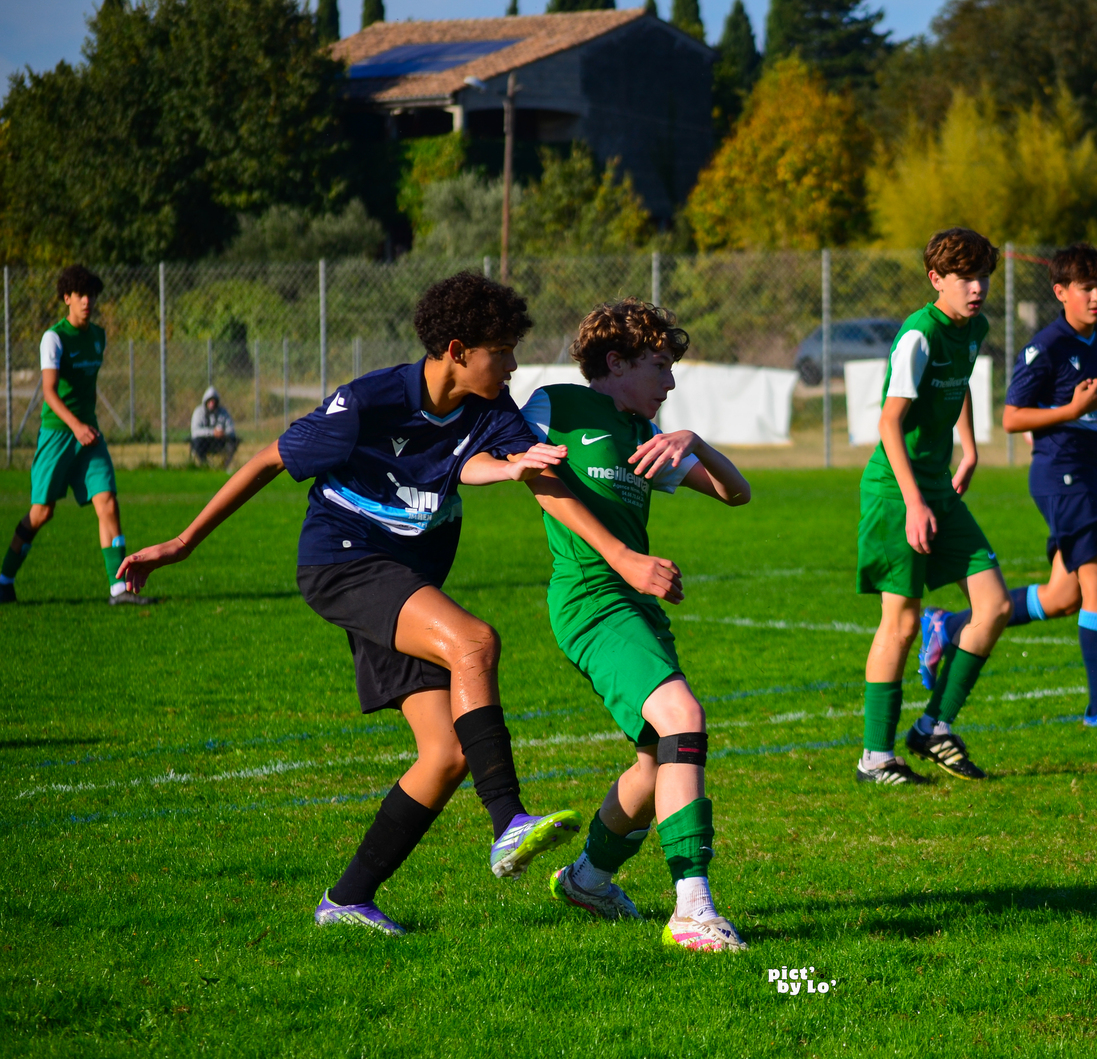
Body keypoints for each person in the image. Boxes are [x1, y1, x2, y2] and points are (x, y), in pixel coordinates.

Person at [120, 272, 684, 936]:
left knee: (444, 755)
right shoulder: (370, 401)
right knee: (474, 640)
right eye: (501, 352)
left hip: (405, 582)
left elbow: (532, 475)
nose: (511, 365)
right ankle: (508, 821)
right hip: (343, 561)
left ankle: (347, 899)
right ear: (457, 351)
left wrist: (528, 483)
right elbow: (269, 460)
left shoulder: (490, 406)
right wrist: (183, 542)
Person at [527, 299, 754, 952]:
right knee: (683, 717)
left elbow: (736, 493)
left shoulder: (643, 436)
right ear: (616, 362)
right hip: (590, 599)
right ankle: (692, 909)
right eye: (659, 366)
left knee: (658, 759)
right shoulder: (557, 405)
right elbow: (538, 479)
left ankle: (588, 880)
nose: (670, 382)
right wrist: (623, 557)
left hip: (636, 607)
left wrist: (694, 442)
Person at [929, 244, 1097, 729]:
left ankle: (946, 625)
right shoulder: (1045, 347)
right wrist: (1072, 411)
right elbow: (1012, 418)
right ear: (1060, 292)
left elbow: (1092, 393)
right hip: (1060, 476)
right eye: (1085, 288)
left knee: (1063, 597)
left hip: (1088, 473)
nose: (1096, 297)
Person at [855, 228, 1011, 786]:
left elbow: (958, 381)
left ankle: (932, 727)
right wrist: (915, 501)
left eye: (983, 277)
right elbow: (889, 423)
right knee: (900, 623)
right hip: (897, 491)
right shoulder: (918, 335)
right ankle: (875, 759)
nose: (977, 288)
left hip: (936, 487)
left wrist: (969, 446)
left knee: (994, 605)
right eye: (964, 278)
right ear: (936, 280)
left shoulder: (974, 328)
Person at [0, 265, 152, 606]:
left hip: (88, 434)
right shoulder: (54, 338)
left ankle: (119, 589)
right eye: (80, 295)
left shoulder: (98, 336)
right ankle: (4, 579)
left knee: (108, 502)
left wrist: (85, 426)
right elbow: (49, 392)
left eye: (91, 295)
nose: (87, 301)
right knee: (41, 513)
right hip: (58, 434)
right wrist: (75, 426)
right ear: (66, 298)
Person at [189, 387, 240, 469]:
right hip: (204, 440)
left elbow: (231, 429)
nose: (212, 404)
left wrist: (223, 433)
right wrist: (212, 432)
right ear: (205, 402)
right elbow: (195, 432)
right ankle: (204, 465)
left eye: (214, 401)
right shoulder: (198, 412)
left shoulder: (223, 412)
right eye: (209, 401)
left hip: (219, 440)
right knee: (197, 441)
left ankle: (224, 466)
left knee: (233, 441)